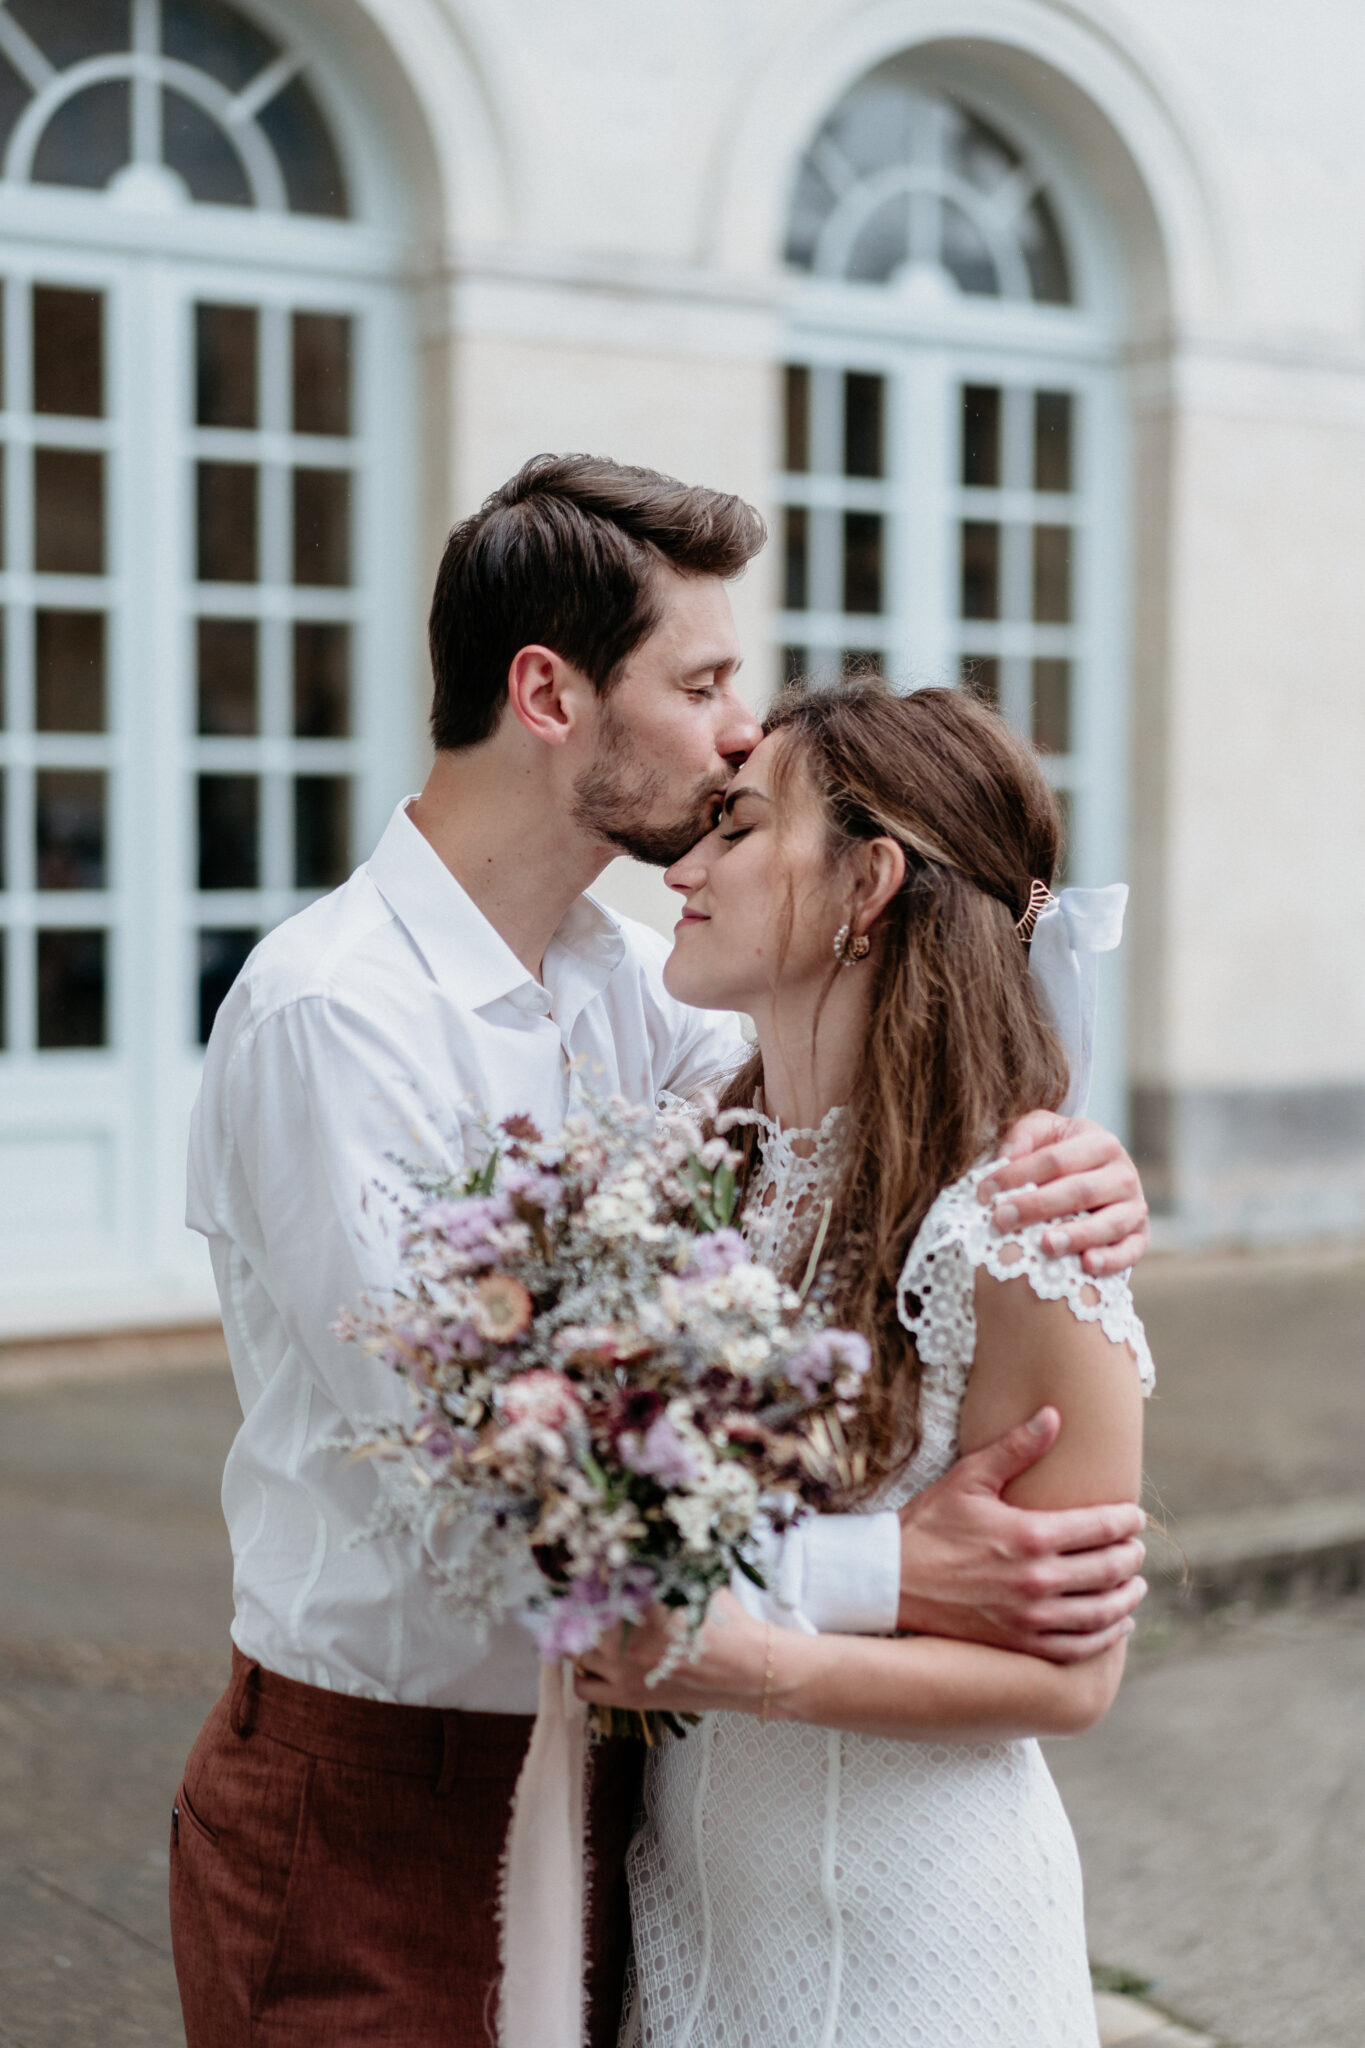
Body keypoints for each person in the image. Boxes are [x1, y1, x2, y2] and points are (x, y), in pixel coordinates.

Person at [169, 458, 1148, 2047]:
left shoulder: (644, 984)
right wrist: (890, 1569)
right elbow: (478, 1497)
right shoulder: (335, 1015)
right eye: (699, 683)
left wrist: (1076, 1158)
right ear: (547, 694)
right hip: (388, 1793)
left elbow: (882, 1128)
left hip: (653, 1797)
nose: (735, 735)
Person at [574, 675, 1153, 2047]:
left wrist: (752, 1662)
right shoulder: (685, 1181)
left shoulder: (1014, 1230)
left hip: (912, 1943)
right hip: (696, 1916)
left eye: (736, 827)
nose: (686, 864)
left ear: (867, 881)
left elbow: (1071, 1681)